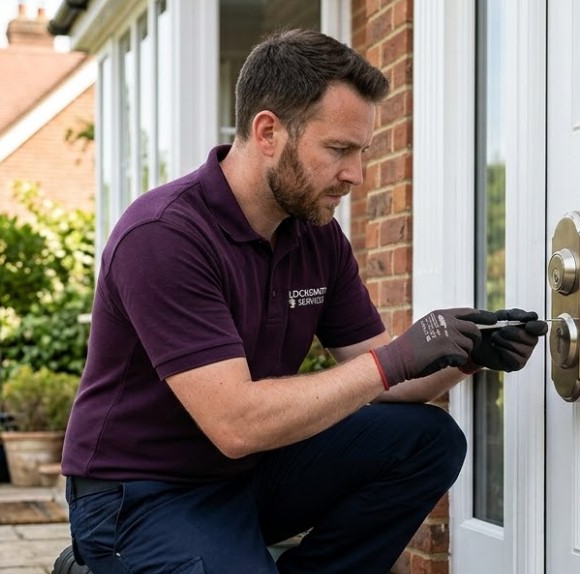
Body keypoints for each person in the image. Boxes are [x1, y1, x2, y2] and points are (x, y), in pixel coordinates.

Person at [59, 29, 548, 574]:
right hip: (140, 493)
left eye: (361, 153)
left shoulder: (315, 235)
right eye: (338, 149)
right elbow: (235, 423)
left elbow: (390, 377)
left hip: (247, 475)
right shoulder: (164, 235)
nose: (355, 175)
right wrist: (394, 359)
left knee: (427, 441)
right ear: (268, 131)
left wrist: (471, 353)